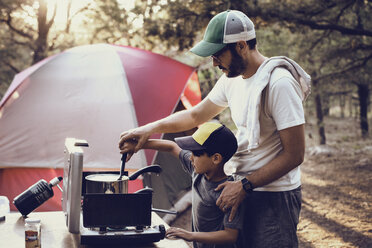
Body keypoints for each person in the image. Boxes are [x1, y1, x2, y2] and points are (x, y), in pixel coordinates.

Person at [119, 9, 311, 248]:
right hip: (241, 188)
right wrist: (147, 129)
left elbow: (295, 154)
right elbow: (196, 114)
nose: (214, 62)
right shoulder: (231, 79)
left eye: (218, 54)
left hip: (273, 195)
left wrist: (245, 184)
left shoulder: (279, 83)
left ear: (241, 46)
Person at [121, 122, 243, 248]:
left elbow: (230, 235)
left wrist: (190, 235)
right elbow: (172, 147)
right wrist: (139, 145)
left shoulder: (229, 193)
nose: (190, 158)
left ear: (216, 158)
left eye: (195, 154)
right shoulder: (197, 171)